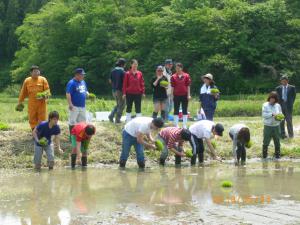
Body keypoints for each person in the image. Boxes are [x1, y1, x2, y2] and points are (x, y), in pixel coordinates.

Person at [17, 65, 50, 130]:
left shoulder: (43, 79)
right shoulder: (27, 81)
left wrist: (42, 95)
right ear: (31, 73)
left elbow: (48, 92)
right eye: (35, 71)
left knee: (42, 119)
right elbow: (23, 92)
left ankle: (41, 133)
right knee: (32, 118)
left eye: (38, 71)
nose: (37, 73)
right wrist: (20, 102)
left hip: (41, 104)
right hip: (32, 104)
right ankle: (34, 132)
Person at [66, 68, 89, 137]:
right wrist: (70, 104)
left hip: (82, 105)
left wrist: (87, 93)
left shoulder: (83, 82)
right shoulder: (71, 83)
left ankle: (81, 135)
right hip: (74, 106)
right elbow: (68, 93)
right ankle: (72, 137)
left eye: (83, 75)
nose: (83, 76)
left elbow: (85, 90)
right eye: (82, 75)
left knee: (82, 121)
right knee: (72, 121)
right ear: (77, 75)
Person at [262, 92, 282, 160]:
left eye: (273, 99)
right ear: (269, 98)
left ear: (276, 99)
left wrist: (279, 117)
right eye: (271, 98)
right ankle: (264, 156)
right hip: (268, 126)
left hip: (276, 126)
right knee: (266, 141)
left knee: (277, 141)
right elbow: (264, 115)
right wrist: (272, 114)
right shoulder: (265, 105)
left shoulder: (278, 106)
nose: (272, 100)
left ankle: (278, 156)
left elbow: (281, 114)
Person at [171, 62, 191, 128]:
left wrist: (189, 95)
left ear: (181, 68)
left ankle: (184, 125)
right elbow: (172, 86)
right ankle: (176, 124)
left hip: (185, 95)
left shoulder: (186, 76)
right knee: (176, 110)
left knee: (185, 110)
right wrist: (172, 95)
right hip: (176, 95)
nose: (177, 69)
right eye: (176, 68)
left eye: (179, 68)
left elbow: (188, 86)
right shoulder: (173, 76)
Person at [108, 58, 126, 123]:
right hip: (120, 91)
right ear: (122, 65)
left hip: (113, 90)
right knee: (122, 105)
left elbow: (110, 80)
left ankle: (111, 116)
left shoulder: (113, 71)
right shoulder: (123, 72)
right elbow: (125, 82)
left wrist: (114, 84)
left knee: (118, 104)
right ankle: (117, 119)